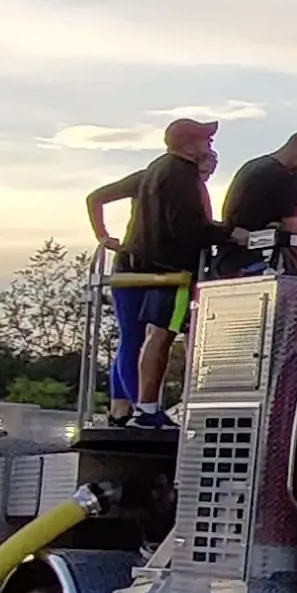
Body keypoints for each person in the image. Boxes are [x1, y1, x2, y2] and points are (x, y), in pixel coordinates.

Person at [85, 116, 217, 412]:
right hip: (144, 265)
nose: (207, 173)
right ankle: (134, 407)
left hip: (141, 263)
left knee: (136, 337)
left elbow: (96, 198)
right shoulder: (164, 178)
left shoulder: (163, 177)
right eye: (207, 164)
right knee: (138, 336)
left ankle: (122, 406)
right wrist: (103, 236)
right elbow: (96, 197)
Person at [218, 128, 297, 268]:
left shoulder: (253, 167)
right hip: (253, 262)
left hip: (228, 259)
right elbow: (294, 233)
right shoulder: (283, 179)